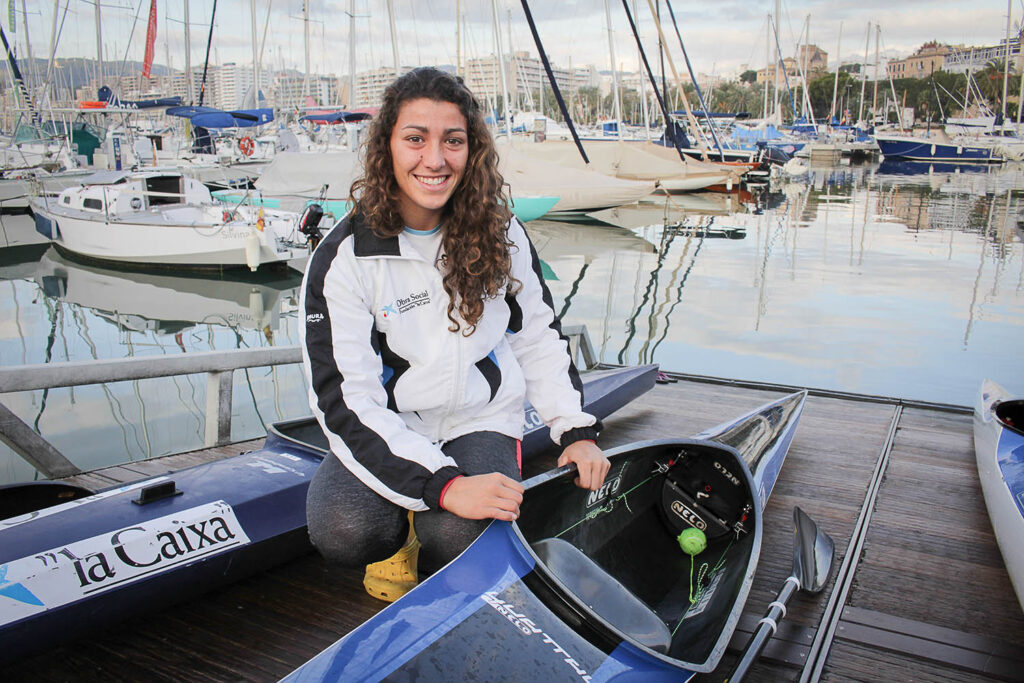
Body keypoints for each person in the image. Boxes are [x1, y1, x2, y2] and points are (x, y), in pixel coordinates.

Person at [299, 67, 609, 602]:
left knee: (462, 536)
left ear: (473, 150)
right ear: (387, 146)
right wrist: (443, 485)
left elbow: (536, 336)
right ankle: (399, 534)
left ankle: (429, 537)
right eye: (415, 139)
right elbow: (346, 402)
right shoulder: (345, 258)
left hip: (479, 418)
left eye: (453, 141)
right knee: (346, 530)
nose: (435, 159)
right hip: (394, 422)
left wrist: (575, 431)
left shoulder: (502, 232)